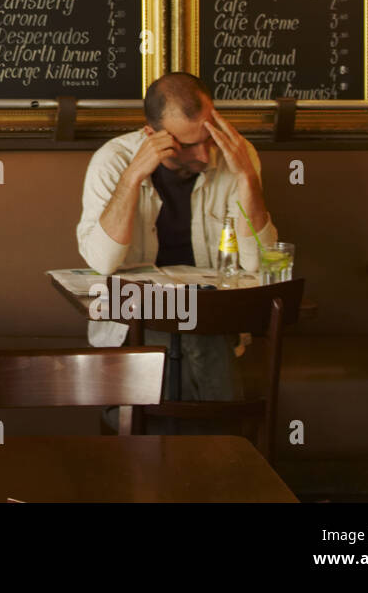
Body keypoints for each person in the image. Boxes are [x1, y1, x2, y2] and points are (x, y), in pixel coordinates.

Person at [75, 71, 279, 408]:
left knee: (195, 331)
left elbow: (258, 261)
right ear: (151, 135)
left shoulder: (238, 157)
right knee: (173, 334)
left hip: (214, 314)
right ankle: (220, 445)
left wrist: (246, 176)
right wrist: (133, 177)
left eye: (209, 136)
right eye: (186, 145)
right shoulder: (112, 162)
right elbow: (102, 261)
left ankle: (167, 444)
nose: (203, 155)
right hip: (137, 320)